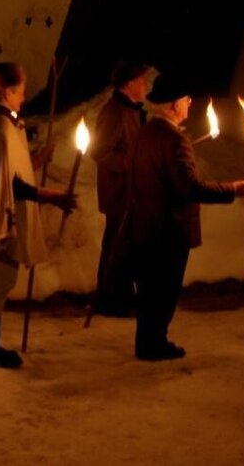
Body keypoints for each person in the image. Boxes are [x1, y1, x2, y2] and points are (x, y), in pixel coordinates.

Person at [0, 62, 75, 368]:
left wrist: (34, 159)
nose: (24, 97)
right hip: (1, 217)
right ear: (7, 92)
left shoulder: (3, 123)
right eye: (20, 91)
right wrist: (52, 196)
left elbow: (9, 169)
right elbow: (12, 184)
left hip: (3, 211)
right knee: (0, 279)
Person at [127, 74, 244, 361]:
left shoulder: (143, 133)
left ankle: (146, 342)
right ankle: (154, 344)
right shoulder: (174, 140)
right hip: (168, 232)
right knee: (163, 291)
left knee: (148, 293)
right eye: (184, 99)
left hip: (144, 228)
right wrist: (232, 189)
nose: (189, 102)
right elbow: (190, 187)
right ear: (172, 106)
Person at [90, 61, 152, 316]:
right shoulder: (114, 112)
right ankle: (110, 299)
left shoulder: (132, 110)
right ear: (129, 85)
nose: (146, 85)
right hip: (119, 192)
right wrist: (130, 164)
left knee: (127, 245)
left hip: (131, 191)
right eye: (141, 80)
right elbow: (100, 151)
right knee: (117, 244)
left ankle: (122, 295)